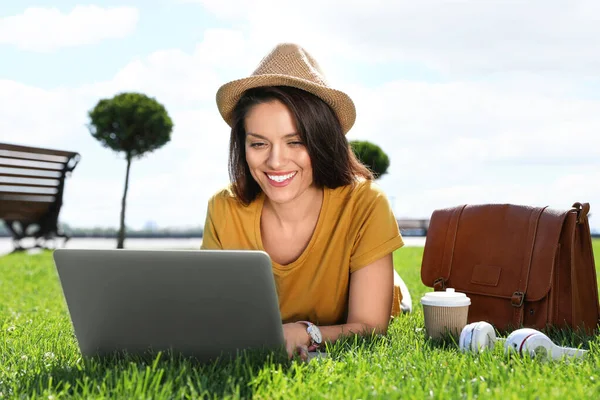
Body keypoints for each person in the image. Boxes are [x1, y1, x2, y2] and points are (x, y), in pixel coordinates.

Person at [201, 43, 411, 360]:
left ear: (322, 141)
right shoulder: (223, 207)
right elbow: (211, 316)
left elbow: (369, 326)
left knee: (390, 295)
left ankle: (394, 286)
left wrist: (304, 332)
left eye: (295, 142)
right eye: (258, 143)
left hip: (369, 286)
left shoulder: (366, 203)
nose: (275, 161)